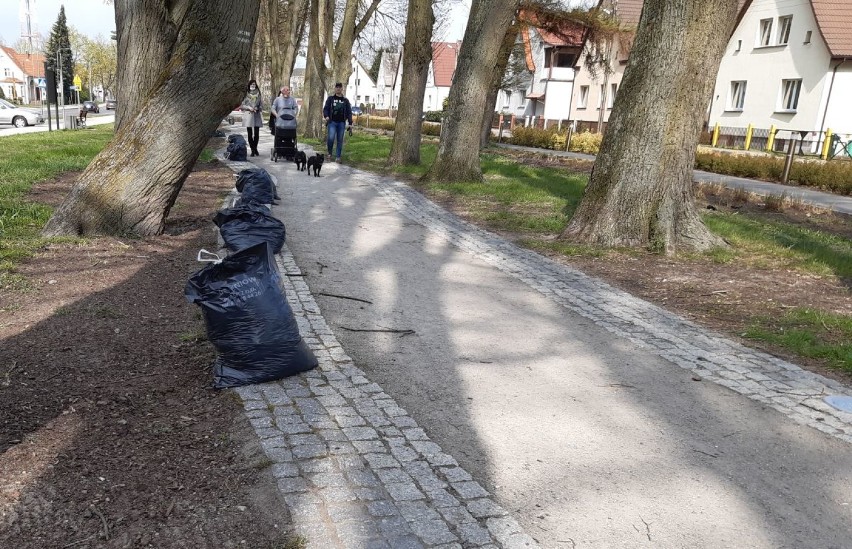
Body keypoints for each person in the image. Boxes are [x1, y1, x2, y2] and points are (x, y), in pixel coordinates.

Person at [322, 83, 352, 162]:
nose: (338, 89)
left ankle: (338, 157)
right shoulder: (330, 99)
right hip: (332, 122)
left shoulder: (345, 101)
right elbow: (326, 109)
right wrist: (326, 116)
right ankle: (329, 154)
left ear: (342, 89)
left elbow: (349, 112)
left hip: (341, 123)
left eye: (340, 87)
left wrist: (350, 123)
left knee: (340, 140)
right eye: (337, 87)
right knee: (331, 139)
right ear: (335, 89)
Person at [240, 79, 263, 157]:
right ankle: (252, 149)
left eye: (254, 84)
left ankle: (255, 148)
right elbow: (242, 105)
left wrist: (257, 108)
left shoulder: (258, 94)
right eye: (251, 84)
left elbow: (261, 104)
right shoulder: (245, 94)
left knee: (256, 133)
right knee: (250, 134)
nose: (253, 85)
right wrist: (249, 107)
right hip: (248, 114)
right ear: (249, 85)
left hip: (256, 114)